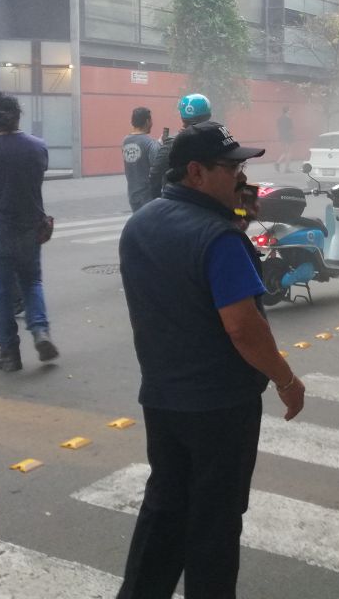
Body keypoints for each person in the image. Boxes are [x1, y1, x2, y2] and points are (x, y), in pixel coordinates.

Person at [116, 120, 304, 599]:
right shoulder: (219, 239)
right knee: (215, 523)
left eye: (243, 167)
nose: (241, 177)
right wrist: (285, 379)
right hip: (220, 406)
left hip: (162, 398)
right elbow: (243, 327)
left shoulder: (141, 224)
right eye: (231, 167)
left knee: (164, 508)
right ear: (196, 172)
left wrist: (236, 216)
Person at [0, 92, 57, 372]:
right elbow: (36, 179)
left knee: (0, 293)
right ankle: (41, 331)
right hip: (30, 228)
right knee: (32, 282)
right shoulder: (37, 147)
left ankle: (8, 353)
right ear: (18, 116)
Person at [147, 92, 211, 200]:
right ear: (209, 115)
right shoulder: (215, 139)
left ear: (182, 117)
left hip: (179, 202)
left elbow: (155, 175)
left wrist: (157, 201)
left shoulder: (173, 143)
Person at [122, 107, 158, 212]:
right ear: (147, 121)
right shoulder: (150, 143)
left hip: (132, 195)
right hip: (148, 196)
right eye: (151, 120)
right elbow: (157, 167)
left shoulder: (125, 141)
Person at [274, 106, 294, 173]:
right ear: (287, 111)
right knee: (288, 153)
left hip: (282, 137)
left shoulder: (279, 119)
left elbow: (278, 128)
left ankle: (280, 164)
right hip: (288, 137)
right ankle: (282, 166)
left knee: (286, 152)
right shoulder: (289, 119)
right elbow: (290, 129)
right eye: (289, 110)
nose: (290, 111)